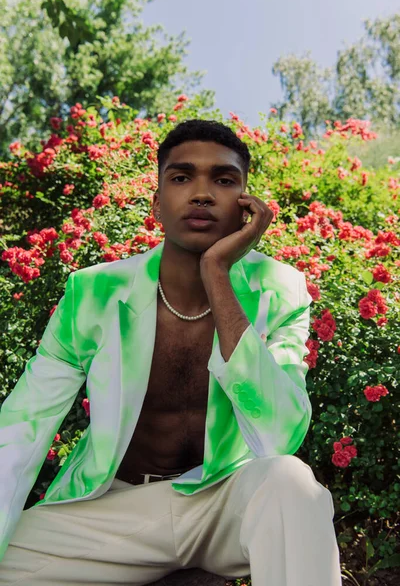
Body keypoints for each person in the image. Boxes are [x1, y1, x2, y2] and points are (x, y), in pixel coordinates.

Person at [0, 119, 342, 585]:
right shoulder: (94, 292)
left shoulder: (280, 290)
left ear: (246, 205)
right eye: (181, 178)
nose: (202, 194)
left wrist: (217, 273)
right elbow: (22, 427)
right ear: (157, 202)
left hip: (223, 501)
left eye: (223, 180)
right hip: (117, 509)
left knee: (292, 486)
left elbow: (279, 435)